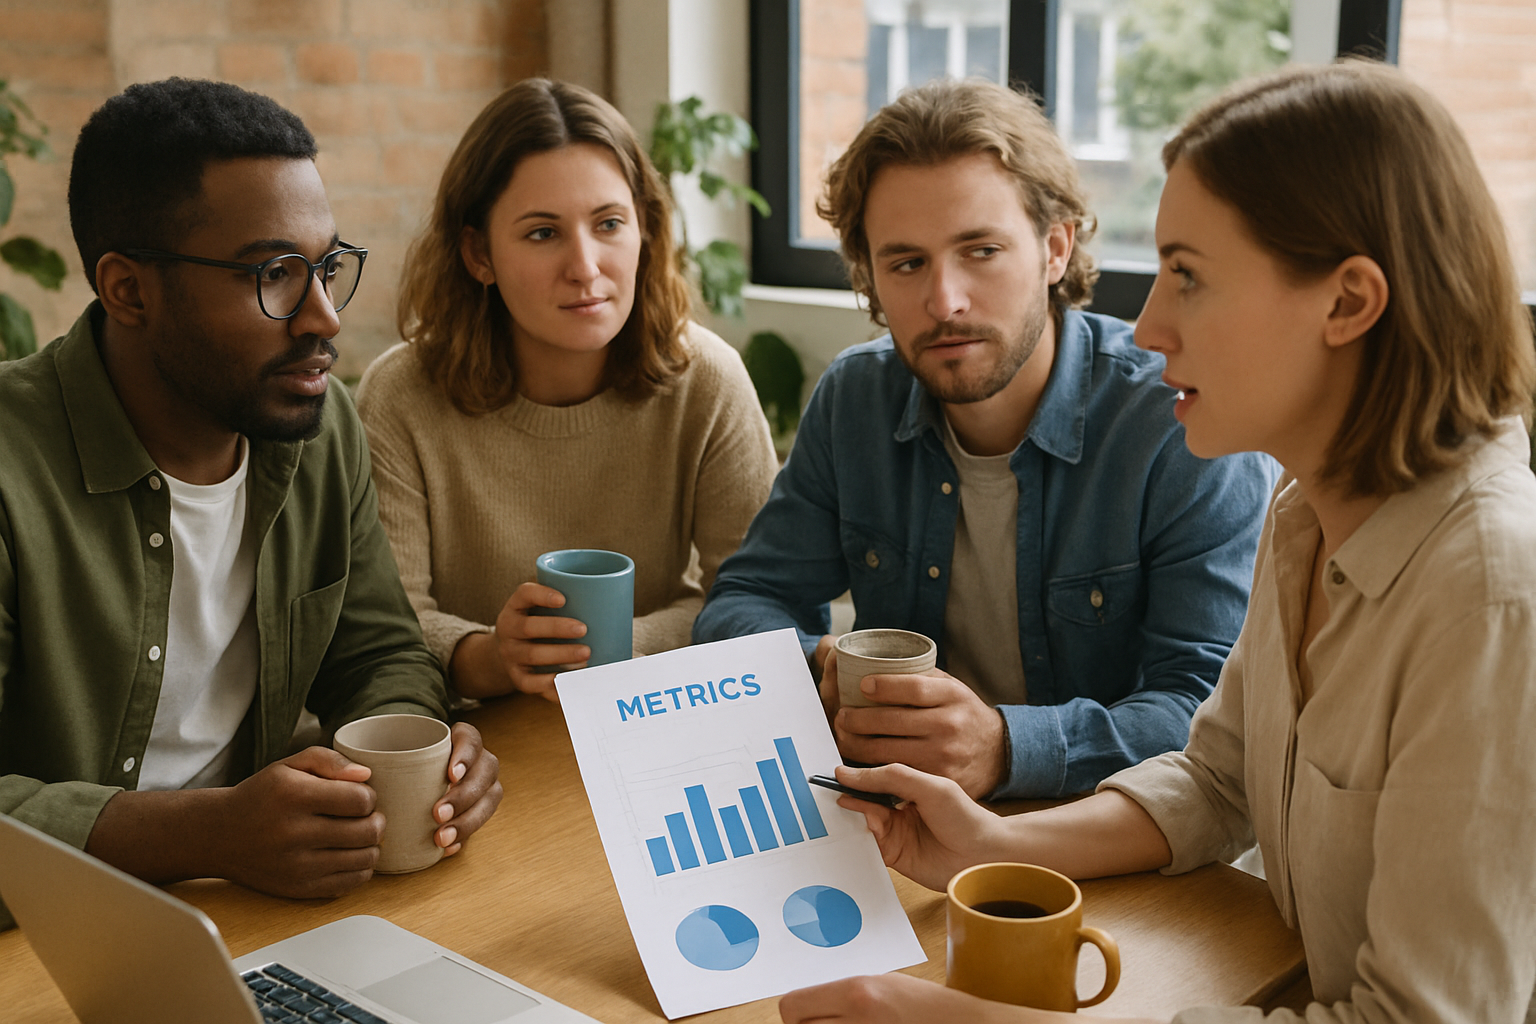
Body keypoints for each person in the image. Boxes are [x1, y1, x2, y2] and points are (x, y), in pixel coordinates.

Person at [781, 61, 1536, 1024]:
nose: (1149, 324)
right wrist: (988, 845)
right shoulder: (1304, 514)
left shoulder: (1493, 591)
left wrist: (955, 1019)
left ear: (1347, 304)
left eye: (1188, 276)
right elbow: (1215, 778)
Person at [0, 79, 503, 929]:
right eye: (273, 274)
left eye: (327, 268)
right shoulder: (14, 466)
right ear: (127, 290)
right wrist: (208, 834)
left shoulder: (319, 424)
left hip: (262, 908)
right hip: (57, 936)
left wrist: (422, 754)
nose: (322, 319)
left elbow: (376, 651)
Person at [693, 79, 1277, 800]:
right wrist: (815, 663)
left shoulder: (1176, 422)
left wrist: (1005, 747)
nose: (945, 301)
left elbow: (1210, 714)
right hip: (901, 827)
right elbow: (744, 600)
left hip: (1116, 838)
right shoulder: (856, 400)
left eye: (981, 250)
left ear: (1055, 248)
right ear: (870, 278)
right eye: (906, 264)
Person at [354, 78, 779, 702]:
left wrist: (611, 654)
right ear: (478, 253)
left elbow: (758, 601)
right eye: (542, 233)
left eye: (609, 223)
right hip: (476, 740)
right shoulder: (400, 397)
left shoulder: (706, 381)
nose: (585, 266)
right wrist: (493, 659)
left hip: (658, 721)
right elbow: (382, 631)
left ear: (645, 232)